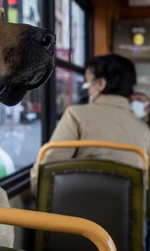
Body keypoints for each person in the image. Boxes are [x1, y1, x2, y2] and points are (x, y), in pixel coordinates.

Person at [31, 54, 150, 191]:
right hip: (127, 211)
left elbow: (46, 170)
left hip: (72, 207)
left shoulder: (76, 115)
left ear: (100, 84)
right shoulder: (143, 129)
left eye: (87, 83)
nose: (86, 90)